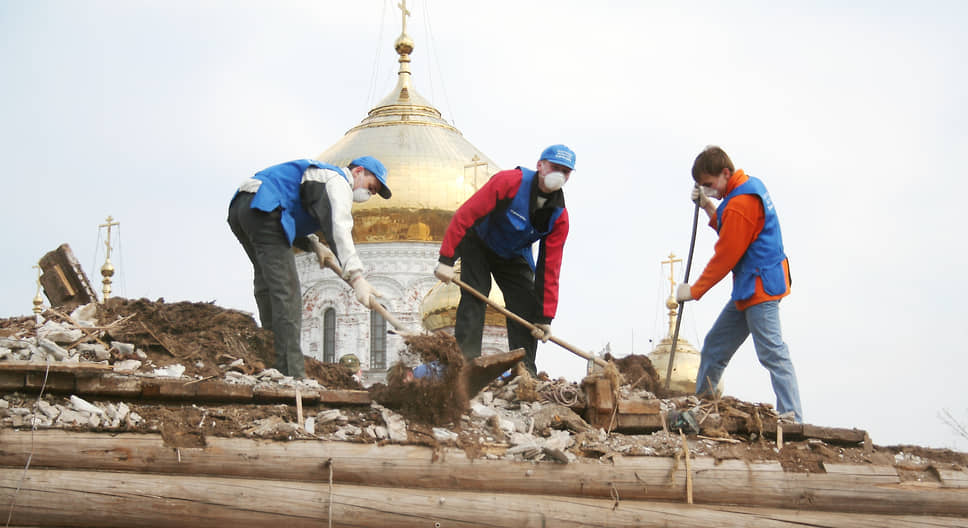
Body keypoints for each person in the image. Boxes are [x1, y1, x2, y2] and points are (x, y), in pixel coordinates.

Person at [228, 157, 391, 378]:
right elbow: (339, 228)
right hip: (264, 206)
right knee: (288, 292)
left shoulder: (320, 179)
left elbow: (293, 210)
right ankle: (292, 373)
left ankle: (270, 357)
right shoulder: (337, 181)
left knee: (268, 285)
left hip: (244, 206)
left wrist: (313, 243)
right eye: (371, 187)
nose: (369, 194)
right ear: (358, 172)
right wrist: (357, 276)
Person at [676, 146, 802, 422]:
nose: (710, 191)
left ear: (725, 173)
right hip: (748, 287)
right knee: (714, 347)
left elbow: (726, 255)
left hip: (761, 287)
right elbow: (733, 226)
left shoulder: (741, 203)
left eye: (710, 185)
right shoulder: (745, 187)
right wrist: (709, 205)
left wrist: (694, 290)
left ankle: (792, 416)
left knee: (772, 352)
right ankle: (702, 409)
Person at [433, 144, 575, 375]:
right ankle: (466, 362)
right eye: (554, 167)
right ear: (540, 166)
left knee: (525, 306)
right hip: (478, 242)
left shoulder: (559, 217)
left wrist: (545, 316)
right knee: (475, 294)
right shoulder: (510, 182)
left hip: (513, 254)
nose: (559, 174)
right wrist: (446, 258)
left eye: (565, 171)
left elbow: (550, 267)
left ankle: (524, 371)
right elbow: (466, 215)